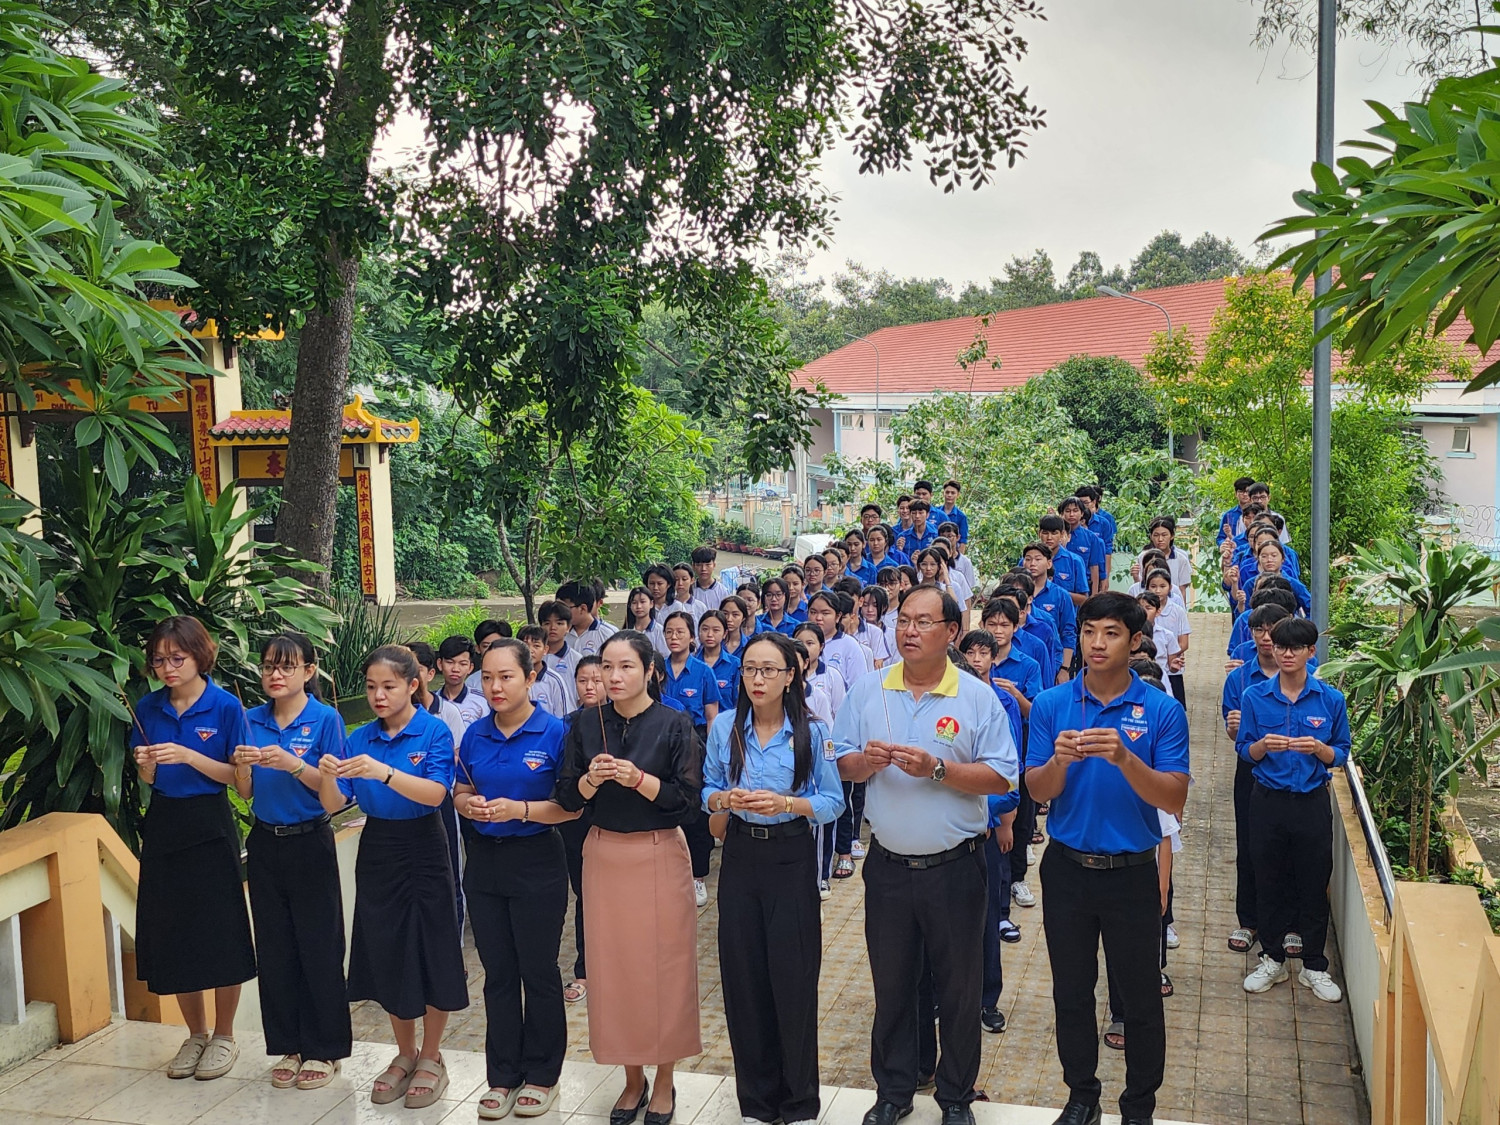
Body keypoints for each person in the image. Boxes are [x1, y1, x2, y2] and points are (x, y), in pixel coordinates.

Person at [832, 586, 1018, 1125]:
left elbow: (1003, 773)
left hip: (955, 867)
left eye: (923, 622)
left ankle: (956, 1097)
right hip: (888, 867)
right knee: (892, 985)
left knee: (958, 989)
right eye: (902, 620)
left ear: (952, 632)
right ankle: (893, 1092)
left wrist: (937, 769)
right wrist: (863, 764)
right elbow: (838, 762)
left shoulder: (977, 697)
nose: (909, 631)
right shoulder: (870, 689)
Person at [1025, 593, 1189, 1125]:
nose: (1097, 642)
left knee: (1140, 997)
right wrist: (1059, 760)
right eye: (1089, 631)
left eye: (1111, 632)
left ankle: (1138, 1105)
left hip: (1132, 872)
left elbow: (1173, 798)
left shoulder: (1162, 710)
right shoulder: (1052, 704)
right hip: (1067, 868)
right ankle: (1082, 1097)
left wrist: (1123, 757)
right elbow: (1036, 788)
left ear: (1135, 640)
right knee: (1071, 992)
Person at [554, 631, 704, 1125]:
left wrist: (638, 778)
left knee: (664, 970)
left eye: (625, 668)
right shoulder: (582, 725)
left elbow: (687, 801)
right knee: (613, 971)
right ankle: (631, 1079)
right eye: (606, 668)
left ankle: (664, 1080)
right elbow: (567, 797)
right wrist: (591, 779)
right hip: (603, 855)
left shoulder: (674, 724)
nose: (613, 678)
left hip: (659, 853)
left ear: (649, 671)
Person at [703, 633, 845, 1125]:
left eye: (768, 669)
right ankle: (757, 1103)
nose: (757, 679)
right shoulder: (726, 727)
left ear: (791, 676)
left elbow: (833, 802)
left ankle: (799, 1101)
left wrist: (786, 803)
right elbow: (709, 789)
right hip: (741, 856)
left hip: (790, 856)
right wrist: (724, 800)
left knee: (794, 976)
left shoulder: (811, 730)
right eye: (749, 669)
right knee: (744, 978)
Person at [329, 644, 468, 1108]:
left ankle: (432, 1054)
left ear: (413, 685)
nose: (378, 696)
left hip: (426, 844)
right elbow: (335, 803)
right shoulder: (360, 737)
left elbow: (434, 794)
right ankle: (404, 1052)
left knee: (431, 946)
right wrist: (327, 773)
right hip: (379, 848)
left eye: (388, 686)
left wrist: (385, 772)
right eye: (371, 687)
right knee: (387, 947)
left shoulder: (432, 730)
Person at [455, 639, 580, 1119]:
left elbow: (571, 808)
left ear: (532, 677)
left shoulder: (555, 733)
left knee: (539, 970)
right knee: (498, 974)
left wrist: (520, 810)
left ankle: (543, 1074)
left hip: (537, 860)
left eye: (506, 676)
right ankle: (502, 1075)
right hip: (485, 861)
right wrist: (468, 804)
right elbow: (461, 790)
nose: (495, 686)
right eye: (486, 677)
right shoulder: (476, 734)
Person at [130, 616, 256, 1081]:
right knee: (175, 930)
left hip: (211, 821)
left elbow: (238, 779)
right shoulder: (148, 707)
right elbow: (150, 778)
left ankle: (224, 1035)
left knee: (220, 929)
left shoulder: (224, 706)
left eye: (176, 658)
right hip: (165, 823)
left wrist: (188, 755)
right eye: (159, 660)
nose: (167, 668)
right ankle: (195, 1033)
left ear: (199, 656)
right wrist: (146, 765)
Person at [235, 633, 351, 1090]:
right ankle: (288, 1045)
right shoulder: (250, 719)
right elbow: (244, 792)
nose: (275, 675)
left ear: (308, 671)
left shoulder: (325, 720)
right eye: (268, 667)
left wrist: (295, 765)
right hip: (264, 844)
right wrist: (242, 766)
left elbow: (337, 798)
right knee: (276, 950)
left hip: (310, 841)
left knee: (319, 948)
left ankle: (324, 1050)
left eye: (286, 667)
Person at [1238, 617, 1350, 1004]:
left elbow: (1342, 751)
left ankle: (1314, 966)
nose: (1286, 653)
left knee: (1313, 882)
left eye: (1295, 647)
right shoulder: (1255, 696)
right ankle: (1272, 959)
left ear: (1310, 652)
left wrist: (1321, 751)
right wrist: (1262, 747)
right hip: (1267, 800)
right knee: (1267, 879)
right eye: (1281, 646)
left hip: (1311, 801)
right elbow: (1244, 750)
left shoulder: (1330, 699)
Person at [1221, 602, 1292, 953]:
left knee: (1289, 849)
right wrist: (1236, 730)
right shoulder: (1239, 678)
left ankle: (1287, 925)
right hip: (1252, 771)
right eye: (1258, 630)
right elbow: (1237, 738)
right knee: (1249, 846)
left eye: (1272, 629)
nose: (1266, 637)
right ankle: (1249, 922)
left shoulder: (1306, 672)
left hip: (1296, 771)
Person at [661, 610, 721, 907]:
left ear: (691, 637)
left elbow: (711, 715)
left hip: (695, 740)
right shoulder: (655, 669)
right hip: (660, 741)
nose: (674, 637)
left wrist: (710, 751)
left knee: (695, 811)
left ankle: (697, 877)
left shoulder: (702, 671)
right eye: (669, 632)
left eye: (680, 632)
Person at [411, 640, 469, 934]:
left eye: (415, 669)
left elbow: (457, 762)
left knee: (449, 876)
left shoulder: (447, 714)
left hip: (442, 804)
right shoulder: (390, 717)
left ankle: (455, 952)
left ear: (430, 673)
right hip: (407, 811)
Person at [561, 655, 606, 1005]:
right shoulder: (568, 725)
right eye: (583, 680)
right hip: (578, 821)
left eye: (596, 679)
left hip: (618, 824)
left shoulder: (626, 722)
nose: (590, 687)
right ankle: (585, 970)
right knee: (586, 897)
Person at [806, 590, 871, 691]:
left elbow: (859, 686)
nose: (818, 618)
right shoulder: (799, 641)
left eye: (825, 613)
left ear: (837, 617)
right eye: (813, 612)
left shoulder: (849, 645)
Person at [520, 626, 573, 717]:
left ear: (545, 650)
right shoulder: (512, 678)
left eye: (536, 646)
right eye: (525, 645)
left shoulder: (555, 681)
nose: (530, 650)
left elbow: (563, 719)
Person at [437, 635, 490, 728]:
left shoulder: (482, 702)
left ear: (470, 668)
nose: (455, 669)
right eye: (450, 662)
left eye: (463, 664)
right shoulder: (431, 701)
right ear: (440, 664)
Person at [1058, 496, 1105, 594]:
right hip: (1060, 586)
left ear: (1082, 513)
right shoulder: (1055, 536)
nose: (1071, 514)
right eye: (1067, 511)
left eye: (1075, 511)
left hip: (1083, 587)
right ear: (1061, 514)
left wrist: (1094, 596)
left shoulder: (1091, 538)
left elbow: (1094, 567)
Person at [559, 580, 619, 656]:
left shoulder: (609, 634)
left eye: (564, 608)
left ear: (583, 608)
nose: (560, 613)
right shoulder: (557, 632)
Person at [538, 600, 583, 702]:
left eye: (559, 623)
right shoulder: (532, 658)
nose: (553, 628)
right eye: (547, 623)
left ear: (568, 627)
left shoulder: (577, 660)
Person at [466, 620, 515, 692]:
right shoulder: (472, 682)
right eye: (486, 646)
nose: (492, 650)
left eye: (498, 645)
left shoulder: (520, 676)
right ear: (478, 648)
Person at [937, 481, 969, 552]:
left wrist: (958, 559)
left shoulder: (961, 516)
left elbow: (963, 541)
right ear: (943, 493)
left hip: (953, 551)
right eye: (947, 492)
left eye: (953, 493)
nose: (949, 495)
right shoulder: (936, 512)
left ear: (958, 495)